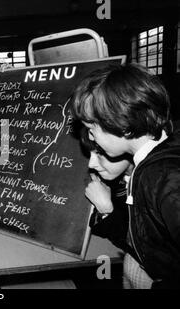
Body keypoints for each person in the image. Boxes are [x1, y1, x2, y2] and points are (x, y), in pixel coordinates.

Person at [72, 63, 180, 288]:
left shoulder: (163, 176)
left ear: (124, 125)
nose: (90, 137)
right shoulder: (152, 166)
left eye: (93, 129)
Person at [79, 127, 133, 255]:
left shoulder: (155, 183)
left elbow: (148, 249)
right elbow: (99, 229)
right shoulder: (112, 179)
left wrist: (107, 210)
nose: (91, 164)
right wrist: (104, 211)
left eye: (100, 153)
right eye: (90, 154)